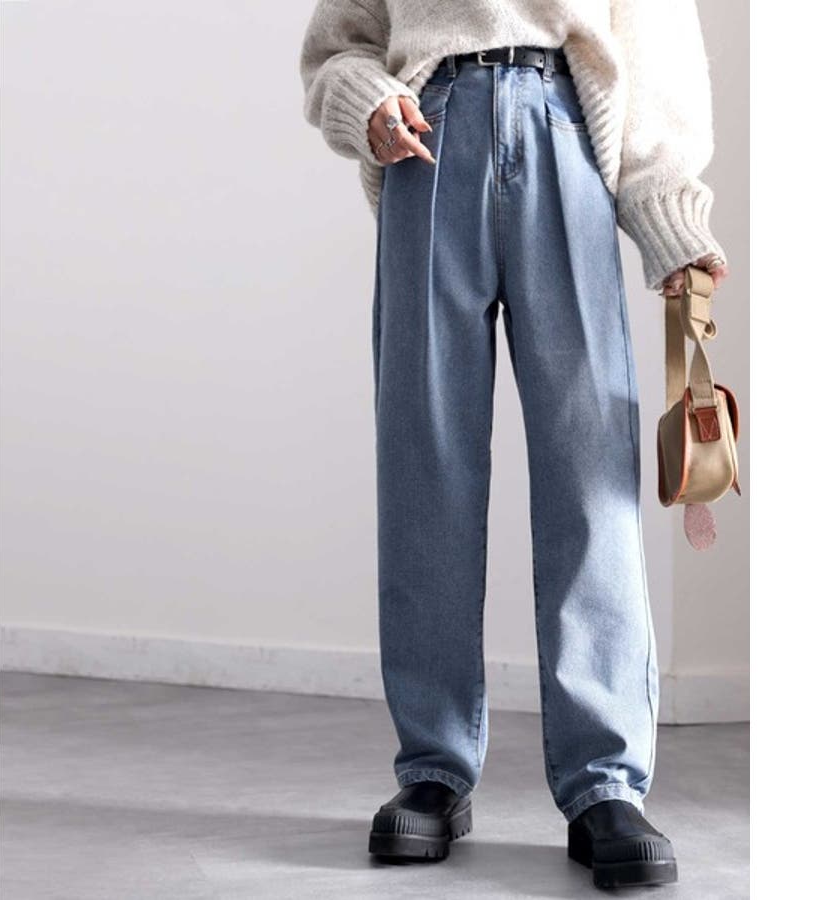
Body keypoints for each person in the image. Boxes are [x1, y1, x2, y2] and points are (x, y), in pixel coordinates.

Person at [299, 0, 729, 889]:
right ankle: (433, 767)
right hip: (428, 141)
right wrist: (369, 101)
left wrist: (670, 212)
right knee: (425, 468)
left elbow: (654, 44)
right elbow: (339, 45)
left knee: (590, 475)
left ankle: (605, 780)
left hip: (566, 130)